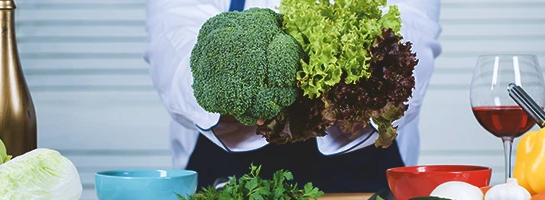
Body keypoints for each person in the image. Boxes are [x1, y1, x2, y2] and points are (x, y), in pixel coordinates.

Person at [144, 0, 442, 193]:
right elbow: (174, 46)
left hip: (362, 181)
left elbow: (409, 36)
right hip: (226, 181)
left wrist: (321, 70)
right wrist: (250, 83)